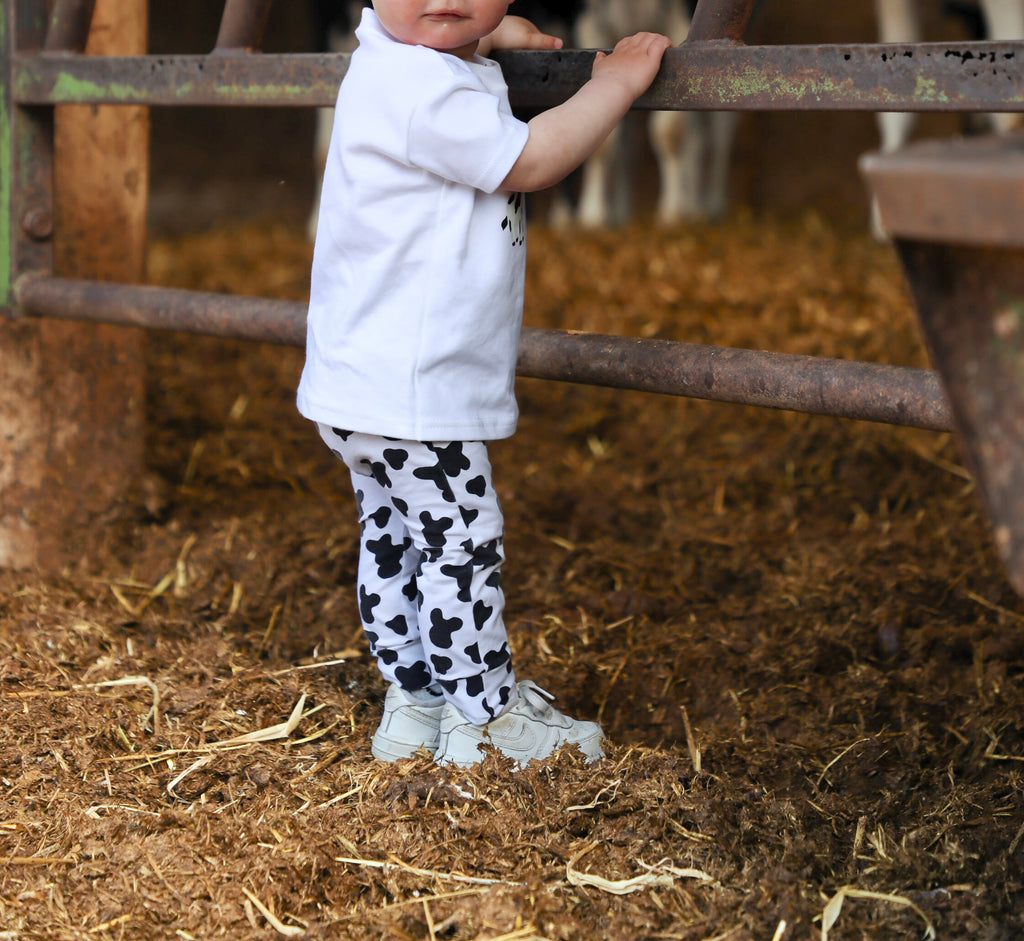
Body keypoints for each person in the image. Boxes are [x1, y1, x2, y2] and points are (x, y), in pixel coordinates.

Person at [297, 0, 671, 767]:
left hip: (361, 383)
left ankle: (417, 704)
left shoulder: (394, 58)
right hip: (415, 391)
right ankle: (489, 719)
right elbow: (531, 159)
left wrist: (489, 33)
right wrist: (616, 86)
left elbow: (440, 24)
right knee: (461, 544)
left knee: (396, 540)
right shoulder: (422, 88)